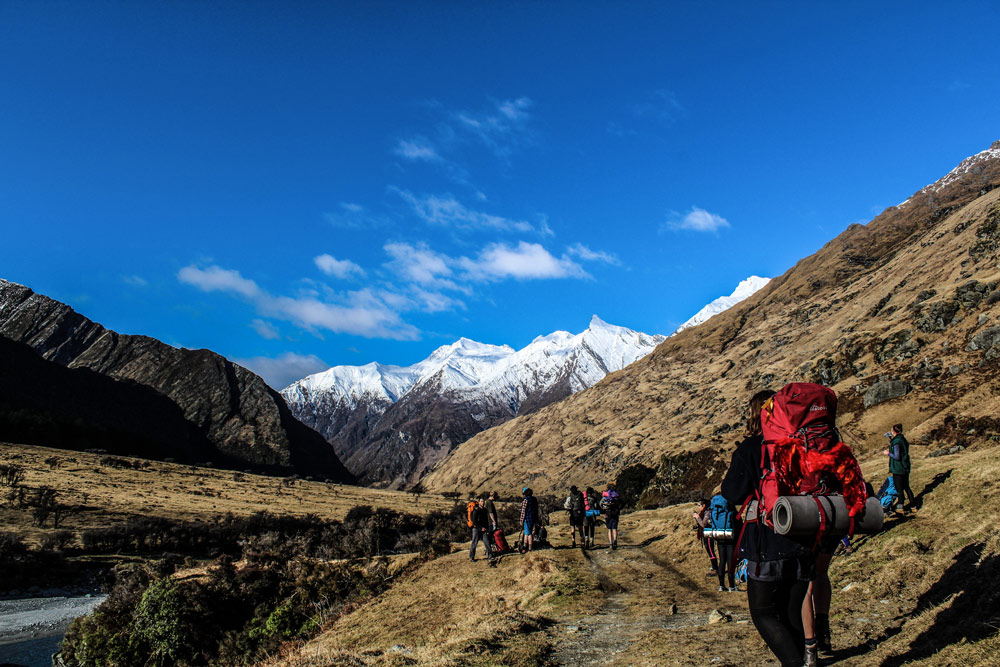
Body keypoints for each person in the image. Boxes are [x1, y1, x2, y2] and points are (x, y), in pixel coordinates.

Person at [721, 389, 816, 667]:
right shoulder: (801, 442)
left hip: (767, 541)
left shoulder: (752, 447)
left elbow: (732, 492)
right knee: (792, 610)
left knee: (763, 612)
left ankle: (794, 663)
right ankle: (803, 658)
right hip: (804, 535)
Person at [883, 424, 915, 512]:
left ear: (894, 431)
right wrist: (890, 439)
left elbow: (897, 456)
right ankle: (913, 506)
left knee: (899, 488)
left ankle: (900, 507)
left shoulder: (897, 442)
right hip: (905, 467)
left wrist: (888, 453)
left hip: (898, 468)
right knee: (906, 487)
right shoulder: (902, 439)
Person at [692, 498, 719, 577]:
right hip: (706, 534)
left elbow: (703, 524)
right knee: (709, 550)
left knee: (710, 551)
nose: (699, 507)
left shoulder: (707, 512)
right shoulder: (704, 512)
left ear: (704, 505)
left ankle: (715, 569)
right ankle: (715, 567)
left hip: (709, 534)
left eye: (699, 505)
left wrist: (697, 517)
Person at [469, 497, 495, 563]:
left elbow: (486, 521)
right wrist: (480, 528)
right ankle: (471, 557)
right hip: (476, 529)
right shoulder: (476, 510)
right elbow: (474, 521)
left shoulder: (485, 510)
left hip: (484, 529)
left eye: (483, 501)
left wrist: (487, 529)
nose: (483, 503)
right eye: (481, 501)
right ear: (479, 502)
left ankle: (490, 556)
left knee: (487, 543)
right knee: (474, 543)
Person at [601, 483, 622, 549]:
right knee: (614, 528)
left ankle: (611, 543)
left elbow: (601, 504)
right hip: (615, 513)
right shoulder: (617, 496)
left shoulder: (606, 496)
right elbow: (623, 503)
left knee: (609, 529)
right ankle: (615, 540)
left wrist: (604, 511)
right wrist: (619, 509)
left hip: (608, 514)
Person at [519, 487, 539, 552]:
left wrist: (521, 520)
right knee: (528, 532)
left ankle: (528, 547)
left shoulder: (525, 500)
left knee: (528, 533)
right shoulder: (534, 500)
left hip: (527, 519)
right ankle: (526, 546)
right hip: (533, 518)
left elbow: (523, 511)